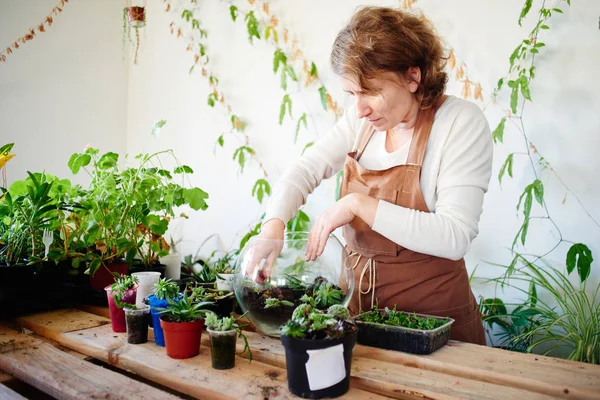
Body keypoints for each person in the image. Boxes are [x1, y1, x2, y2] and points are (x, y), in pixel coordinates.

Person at [244, 6, 493, 345]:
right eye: (352, 94)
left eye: (371, 91)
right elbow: (306, 168)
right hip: (362, 319)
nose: (359, 108)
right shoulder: (361, 121)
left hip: (437, 332)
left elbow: (455, 236)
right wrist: (273, 226)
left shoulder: (459, 123)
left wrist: (360, 205)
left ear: (412, 77)